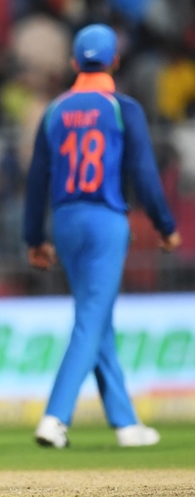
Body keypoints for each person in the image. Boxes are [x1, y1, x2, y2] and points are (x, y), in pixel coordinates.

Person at [24, 23, 181, 448]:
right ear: (114, 61)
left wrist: (34, 237)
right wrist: (166, 227)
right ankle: (55, 418)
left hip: (66, 221)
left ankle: (125, 422)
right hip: (106, 219)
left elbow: (37, 178)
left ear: (75, 63)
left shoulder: (55, 110)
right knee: (92, 318)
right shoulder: (122, 107)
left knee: (98, 318)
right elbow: (145, 176)